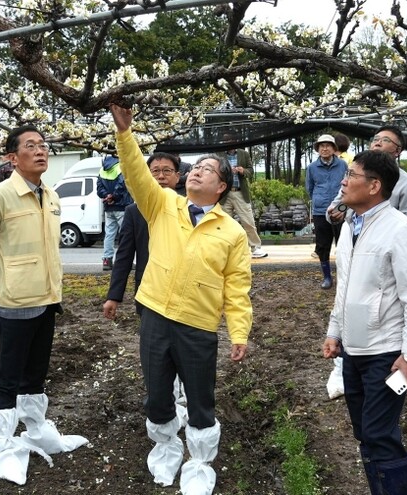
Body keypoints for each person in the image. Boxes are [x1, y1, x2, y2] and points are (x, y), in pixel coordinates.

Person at [110, 103, 252, 495]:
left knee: (200, 397)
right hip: (155, 315)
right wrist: (125, 134)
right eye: (196, 167)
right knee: (157, 393)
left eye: (208, 169)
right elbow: (135, 174)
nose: (198, 171)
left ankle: (200, 463)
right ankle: (166, 447)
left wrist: (239, 332)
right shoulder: (163, 205)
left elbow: (237, 287)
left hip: (197, 325)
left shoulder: (231, 232)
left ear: (221, 187)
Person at [0, 125, 87, 485]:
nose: (40, 151)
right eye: (30, 146)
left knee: (35, 373)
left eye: (43, 145)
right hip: (14, 302)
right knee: (9, 376)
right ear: (12, 158)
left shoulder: (50, 195)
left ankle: (36, 430)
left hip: (47, 299)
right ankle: (4, 445)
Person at [322, 150, 407, 495]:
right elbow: (345, 287)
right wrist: (334, 332)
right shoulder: (349, 227)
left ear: (374, 186)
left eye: (351, 175)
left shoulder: (400, 229)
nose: (343, 181)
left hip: (386, 353)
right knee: (365, 432)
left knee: (379, 434)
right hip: (353, 352)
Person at [103, 152, 180, 319]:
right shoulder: (133, 211)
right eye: (155, 171)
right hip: (148, 291)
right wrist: (114, 296)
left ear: (177, 176)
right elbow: (124, 256)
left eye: (167, 171)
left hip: (182, 291)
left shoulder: (189, 208)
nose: (161, 176)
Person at [327, 125, 407, 225]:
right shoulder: (353, 173)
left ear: (397, 151)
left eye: (386, 140)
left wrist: (381, 226)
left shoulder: (406, 183)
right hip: (354, 232)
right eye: (375, 139)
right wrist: (334, 215)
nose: (378, 143)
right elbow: (336, 206)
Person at [306, 134, 348, 289]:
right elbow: (310, 188)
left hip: (340, 210)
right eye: (321, 146)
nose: (325, 149)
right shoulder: (312, 168)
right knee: (323, 245)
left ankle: (344, 276)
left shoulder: (343, 165)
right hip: (320, 211)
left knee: (343, 243)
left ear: (334, 148)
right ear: (318, 149)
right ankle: (327, 277)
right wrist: (319, 200)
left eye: (328, 145)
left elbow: (348, 186)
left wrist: (343, 206)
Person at [220, 134, 268, 258]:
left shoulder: (243, 154)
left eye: (231, 140)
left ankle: (255, 247)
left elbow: (250, 171)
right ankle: (225, 249)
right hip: (224, 194)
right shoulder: (219, 154)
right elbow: (215, 171)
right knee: (224, 223)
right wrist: (226, 171)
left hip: (240, 192)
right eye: (226, 141)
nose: (228, 143)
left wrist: (242, 170)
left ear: (235, 141)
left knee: (248, 221)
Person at [97, 154, 133, 271]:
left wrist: (107, 196)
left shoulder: (102, 170)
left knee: (109, 234)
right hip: (122, 205)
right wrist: (113, 197)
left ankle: (107, 260)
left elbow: (99, 189)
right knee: (125, 234)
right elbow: (122, 185)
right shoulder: (121, 167)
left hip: (109, 207)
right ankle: (124, 261)